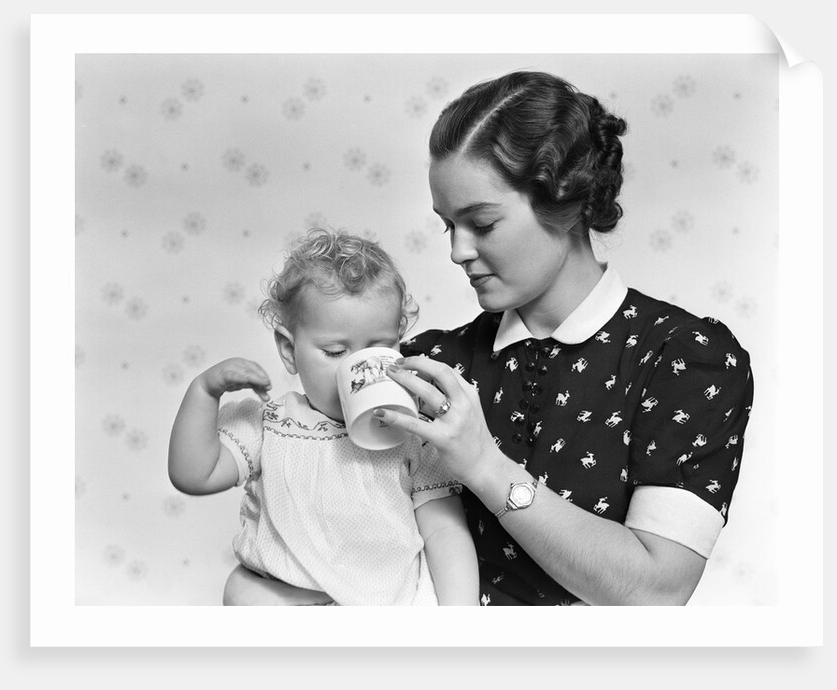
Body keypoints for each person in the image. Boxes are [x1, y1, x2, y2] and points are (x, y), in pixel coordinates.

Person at [225, 70, 755, 606]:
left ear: (566, 201)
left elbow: (657, 592)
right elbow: (316, 522)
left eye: (482, 223)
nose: (457, 251)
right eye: (447, 225)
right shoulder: (426, 363)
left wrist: (482, 465)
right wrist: (259, 588)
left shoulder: (686, 358)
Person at [168, 228, 479, 606]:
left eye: (381, 348)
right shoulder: (271, 425)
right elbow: (193, 475)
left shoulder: (412, 434)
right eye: (335, 351)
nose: (360, 367)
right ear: (289, 349)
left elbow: (444, 531)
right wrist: (204, 392)